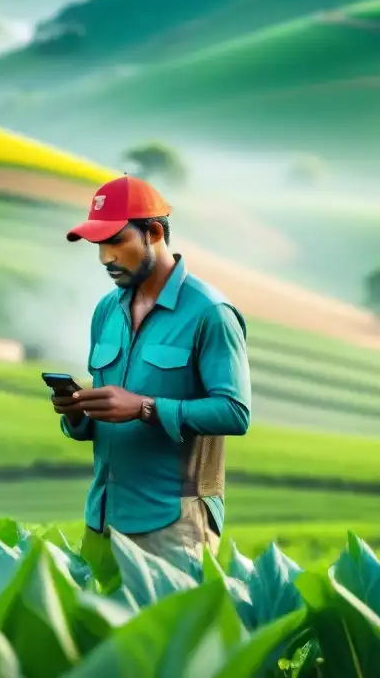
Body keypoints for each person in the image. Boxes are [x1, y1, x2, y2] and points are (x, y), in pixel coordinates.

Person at [51, 174, 252, 567]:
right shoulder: (107, 311)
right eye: (98, 245)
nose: (105, 258)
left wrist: (144, 407)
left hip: (173, 522)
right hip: (103, 518)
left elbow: (235, 412)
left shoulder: (210, 313)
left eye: (115, 241)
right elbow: (105, 415)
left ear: (154, 232)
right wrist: (76, 412)